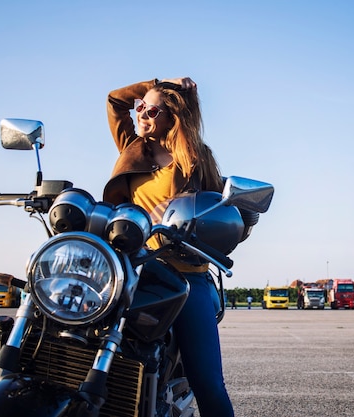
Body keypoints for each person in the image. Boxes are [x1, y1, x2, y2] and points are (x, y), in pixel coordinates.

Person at [103, 77, 234, 417]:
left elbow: (221, 210)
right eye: (141, 107)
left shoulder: (194, 158)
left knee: (207, 380)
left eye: (152, 109)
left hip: (186, 276)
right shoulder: (131, 147)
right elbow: (115, 101)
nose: (142, 114)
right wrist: (156, 84)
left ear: (173, 116)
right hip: (133, 270)